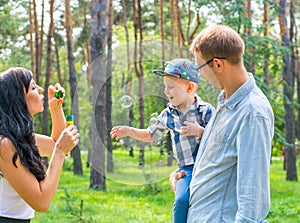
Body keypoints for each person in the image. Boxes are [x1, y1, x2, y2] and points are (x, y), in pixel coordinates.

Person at [170, 25, 275, 222]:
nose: (199, 75)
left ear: (218, 64)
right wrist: (186, 182)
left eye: (199, 68)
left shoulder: (253, 113)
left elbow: (252, 202)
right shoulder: (224, 103)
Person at [110, 58, 214, 223]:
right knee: (181, 200)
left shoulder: (206, 110)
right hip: (186, 170)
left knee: (208, 203)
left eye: (171, 87)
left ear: (189, 87)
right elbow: (151, 135)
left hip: (208, 167)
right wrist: (129, 131)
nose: (166, 91)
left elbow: (218, 137)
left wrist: (200, 131)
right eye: (165, 87)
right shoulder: (168, 114)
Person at [0, 67, 80, 222]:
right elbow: (41, 202)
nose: (42, 90)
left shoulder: (19, 138)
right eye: (34, 87)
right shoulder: (5, 144)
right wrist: (60, 152)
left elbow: (55, 143)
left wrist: (55, 108)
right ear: (19, 99)